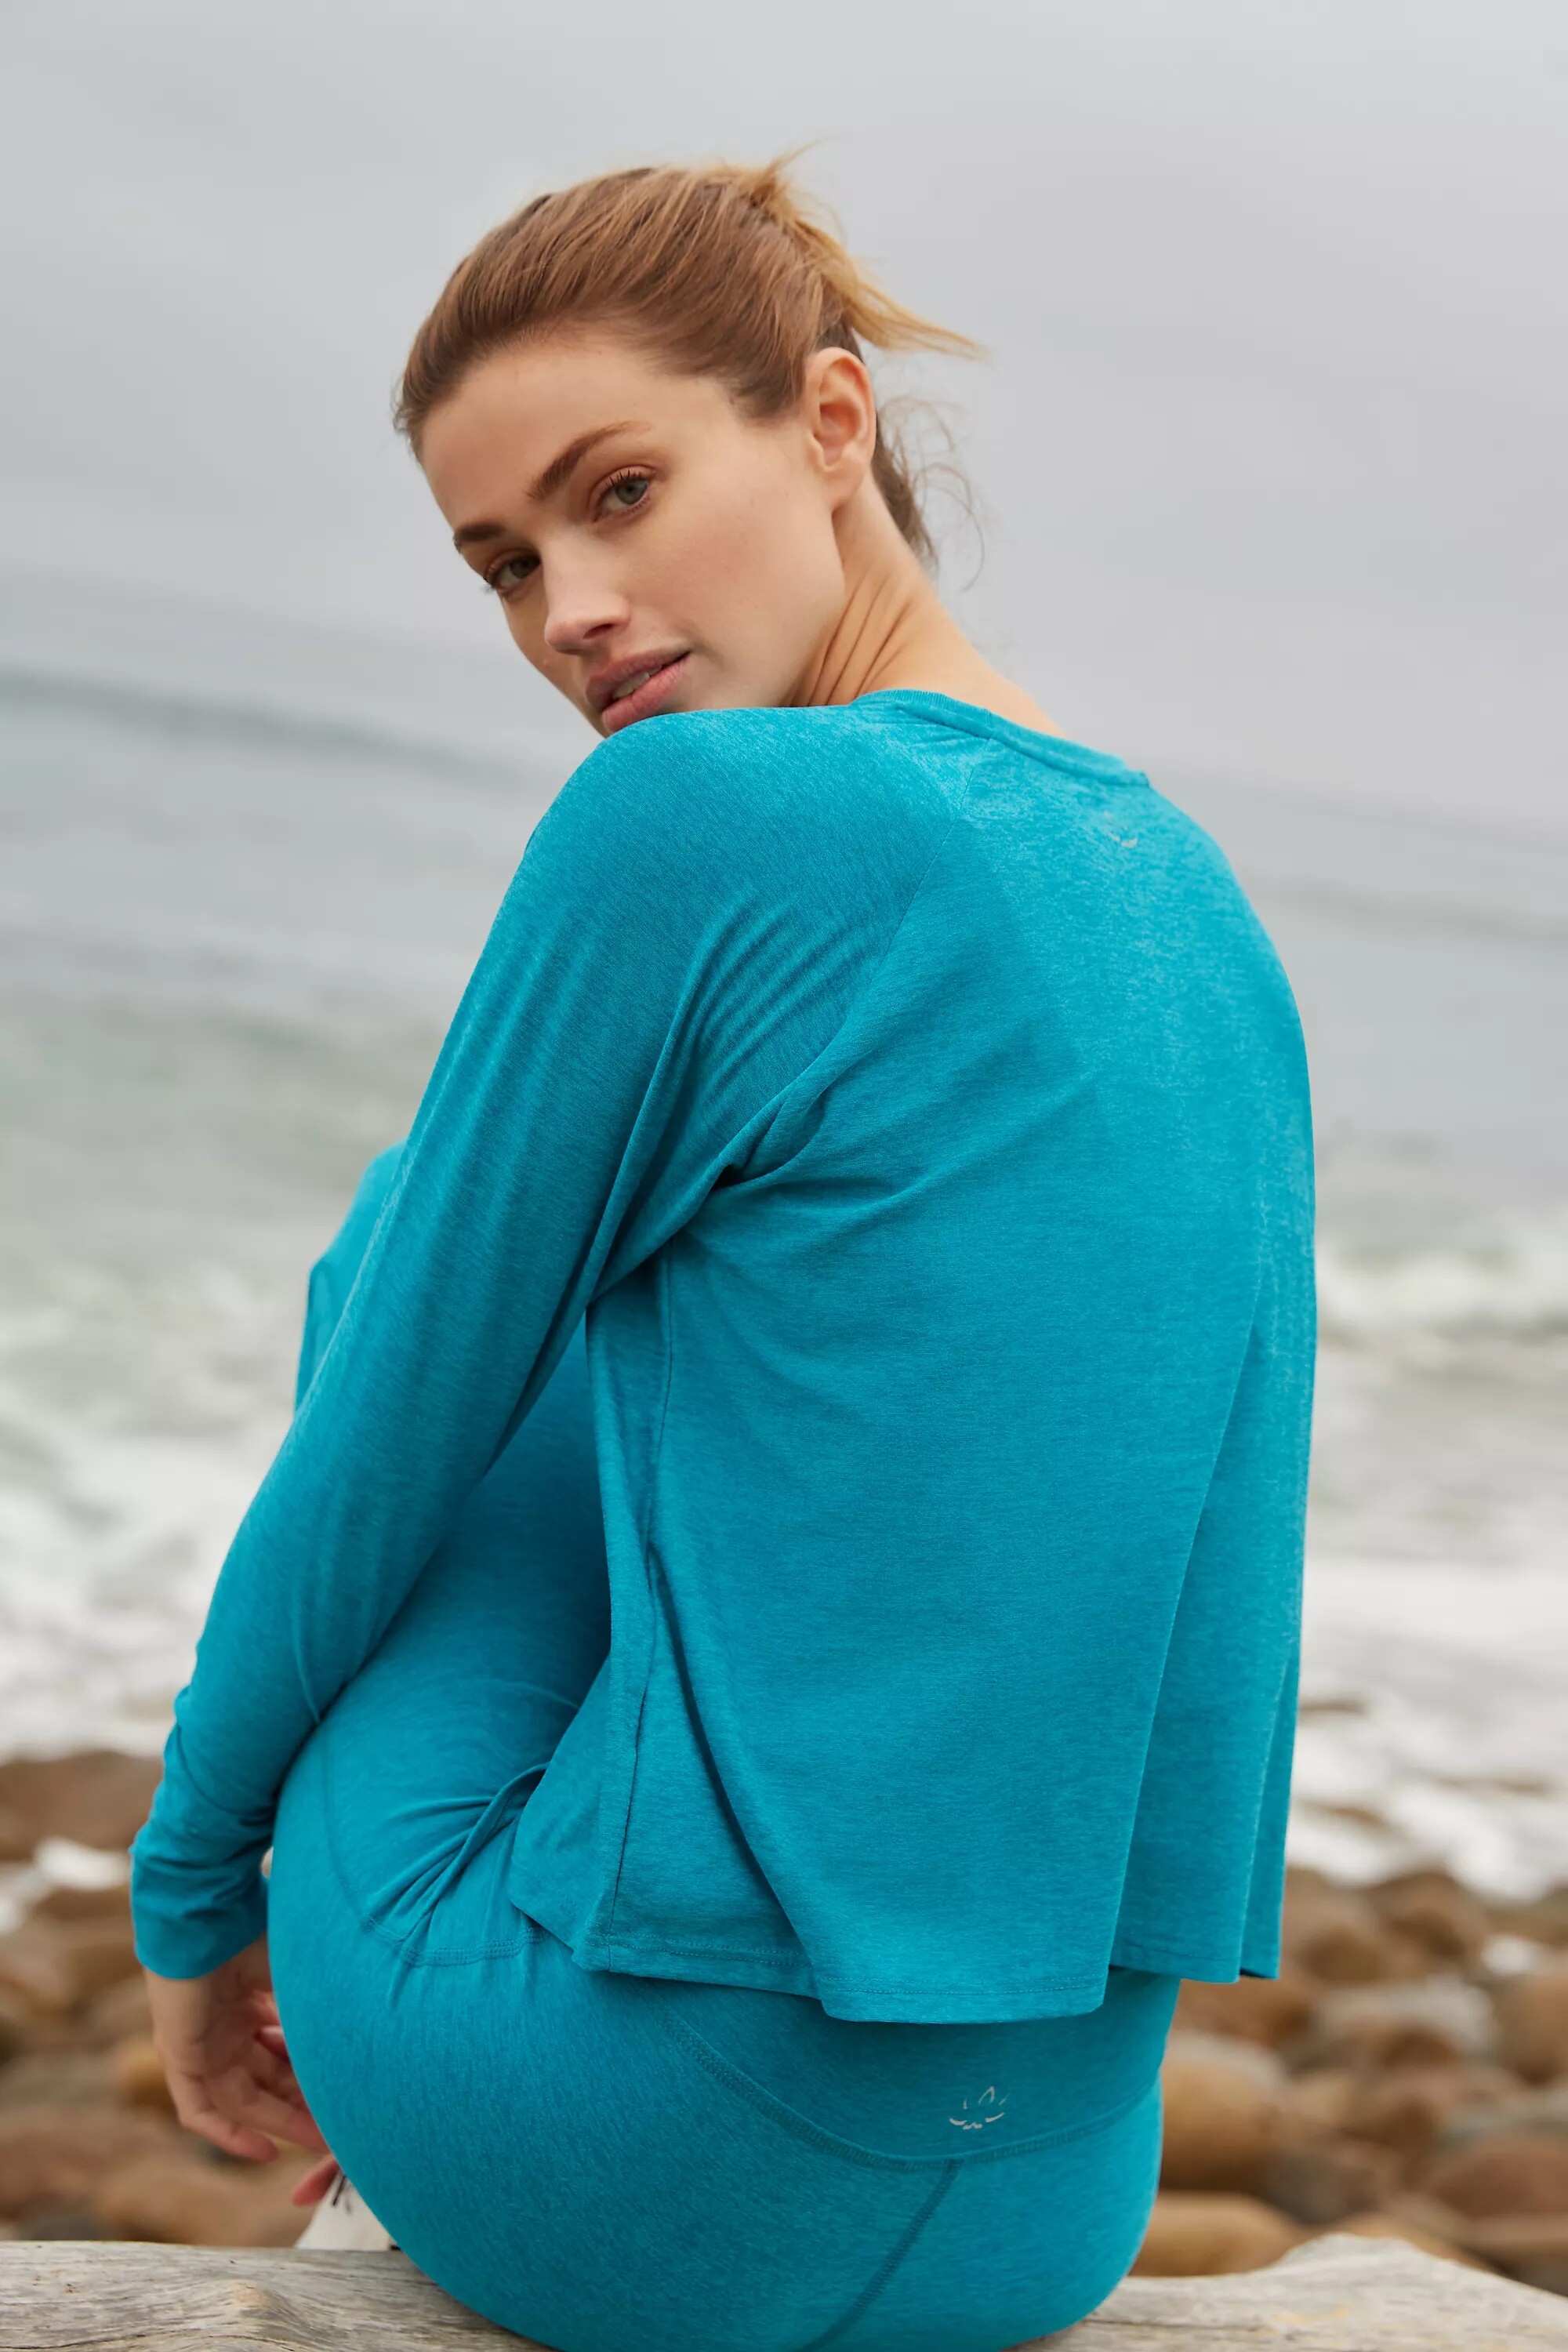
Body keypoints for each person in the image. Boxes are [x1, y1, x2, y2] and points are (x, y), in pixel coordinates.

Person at [128, 159, 1315, 2352]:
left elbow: (386, 1438)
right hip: (1054, 2200)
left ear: (832, 423)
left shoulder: (686, 818)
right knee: (701, 1286)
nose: (570, 610)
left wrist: (192, 1911)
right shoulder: (1198, 904)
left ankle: (512, 2006)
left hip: (632, 2180)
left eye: (621, 493)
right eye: (505, 563)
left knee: (412, 1254)